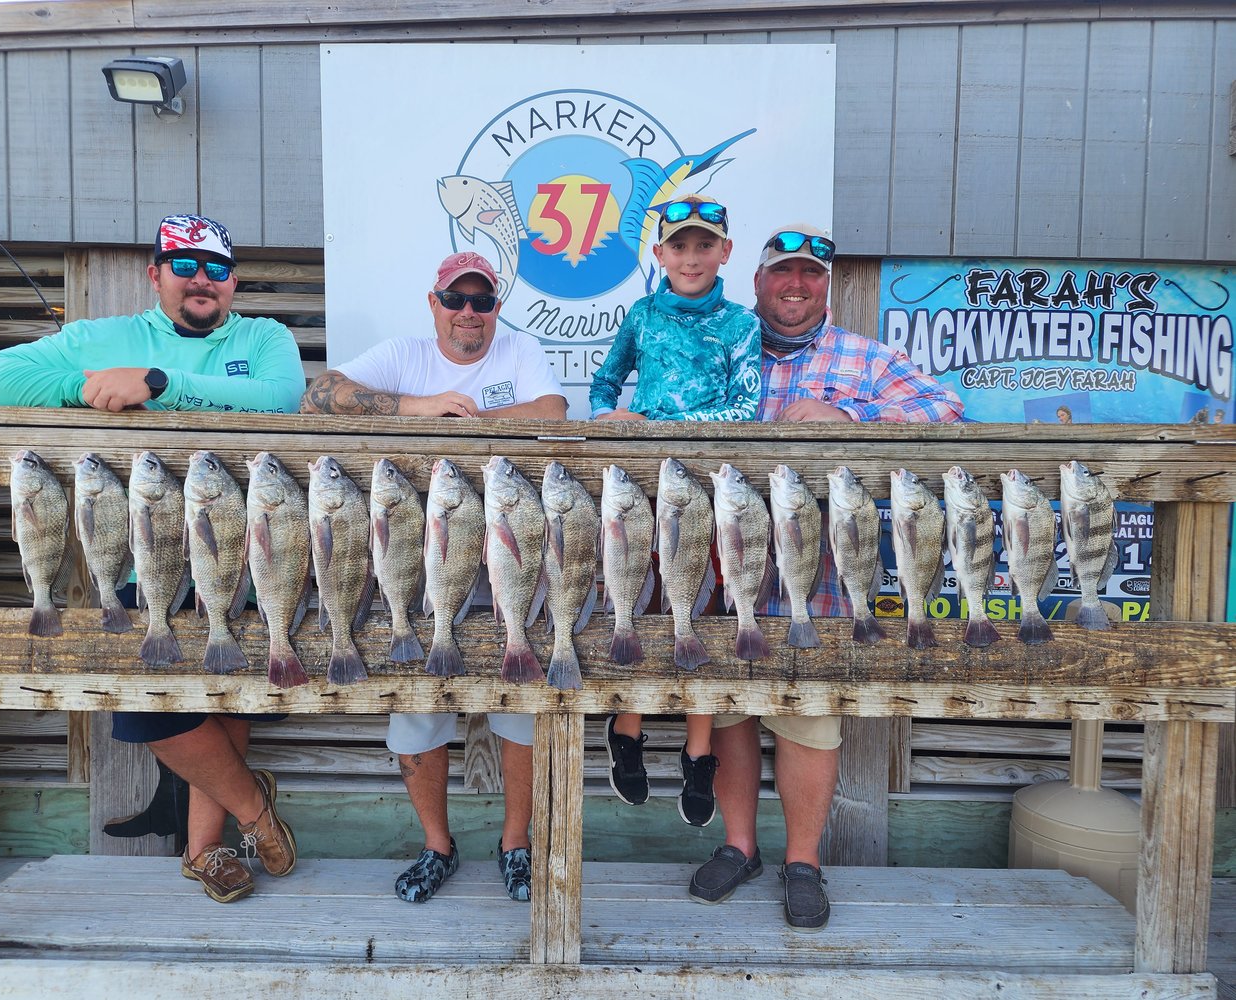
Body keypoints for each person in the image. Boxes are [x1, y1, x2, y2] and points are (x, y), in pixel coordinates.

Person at [0, 213, 306, 904]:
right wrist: (81, 385)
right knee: (149, 706)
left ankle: (203, 853)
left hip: (238, 556)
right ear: (155, 274)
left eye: (216, 267)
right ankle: (253, 810)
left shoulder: (264, 338)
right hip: (135, 558)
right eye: (184, 265)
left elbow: (279, 399)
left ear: (233, 280)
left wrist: (157, 382)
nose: (201, 279)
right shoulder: (102, 337)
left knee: (229, 696)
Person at [687, 222, 963, 931]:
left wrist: (847, 412)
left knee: (809, 719)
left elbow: (944, 409)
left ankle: (802, 861)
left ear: (827, 285)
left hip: (825, 580)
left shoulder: (862, 359)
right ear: (756, 280)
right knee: (727, 713)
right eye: (782, 272)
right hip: (724, 570)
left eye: (809, 274)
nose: (795, 285)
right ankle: (738, 845)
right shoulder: (720, 342)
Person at [300, 250, 567, 903]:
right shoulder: (404, 354)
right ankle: (436, 846)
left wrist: (467, 423)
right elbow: (315, 398)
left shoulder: (519, 353)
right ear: (434, 303)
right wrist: (418, 408)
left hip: (505, 551)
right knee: (417, 707)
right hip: (415, 556)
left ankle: (516, 843)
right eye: (456, 300)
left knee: (522, 708)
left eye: (481, 301)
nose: (468, 313)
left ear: (496, 309)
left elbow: (553, 411)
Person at [587, 194, 761, 830]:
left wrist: (652, 421)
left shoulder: (741, 324)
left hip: (718, 494)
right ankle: (627, 728)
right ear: (658, 254)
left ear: (725, 252)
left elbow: (745, 409)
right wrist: (609, 417)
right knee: (642, 602)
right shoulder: (641, 315)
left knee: (709, 612)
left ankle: (698, 751)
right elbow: (605, 385)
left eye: (704, 245)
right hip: (647, 491)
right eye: (679, 246)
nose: (691, 257)